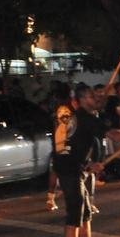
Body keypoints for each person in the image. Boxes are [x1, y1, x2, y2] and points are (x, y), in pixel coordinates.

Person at [53, 83, 114, 237]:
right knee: (75, 215)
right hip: (68, 169)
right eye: (89, 96)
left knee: (85, 212)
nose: (94, 99)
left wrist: (89, 164)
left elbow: (80, 145)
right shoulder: (78, 117)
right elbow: (63, 148)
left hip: (76, 168)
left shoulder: (84, 117)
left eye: (94, 96)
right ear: (78, 101)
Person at [45, 83, 73, 211]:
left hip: (58, 144)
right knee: (64, 171)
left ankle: (51, 197)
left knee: (56, 170)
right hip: (64, 144)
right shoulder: (65, 109)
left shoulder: (56, 108)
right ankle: (53, 197)